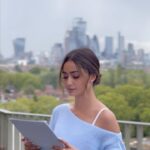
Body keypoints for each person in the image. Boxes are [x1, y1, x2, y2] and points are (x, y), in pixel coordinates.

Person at [23, 48, 126, 150]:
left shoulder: (105, 118)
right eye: (65, 77)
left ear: (92, 76)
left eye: (75, 76)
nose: (69, 82)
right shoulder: (59, 111)